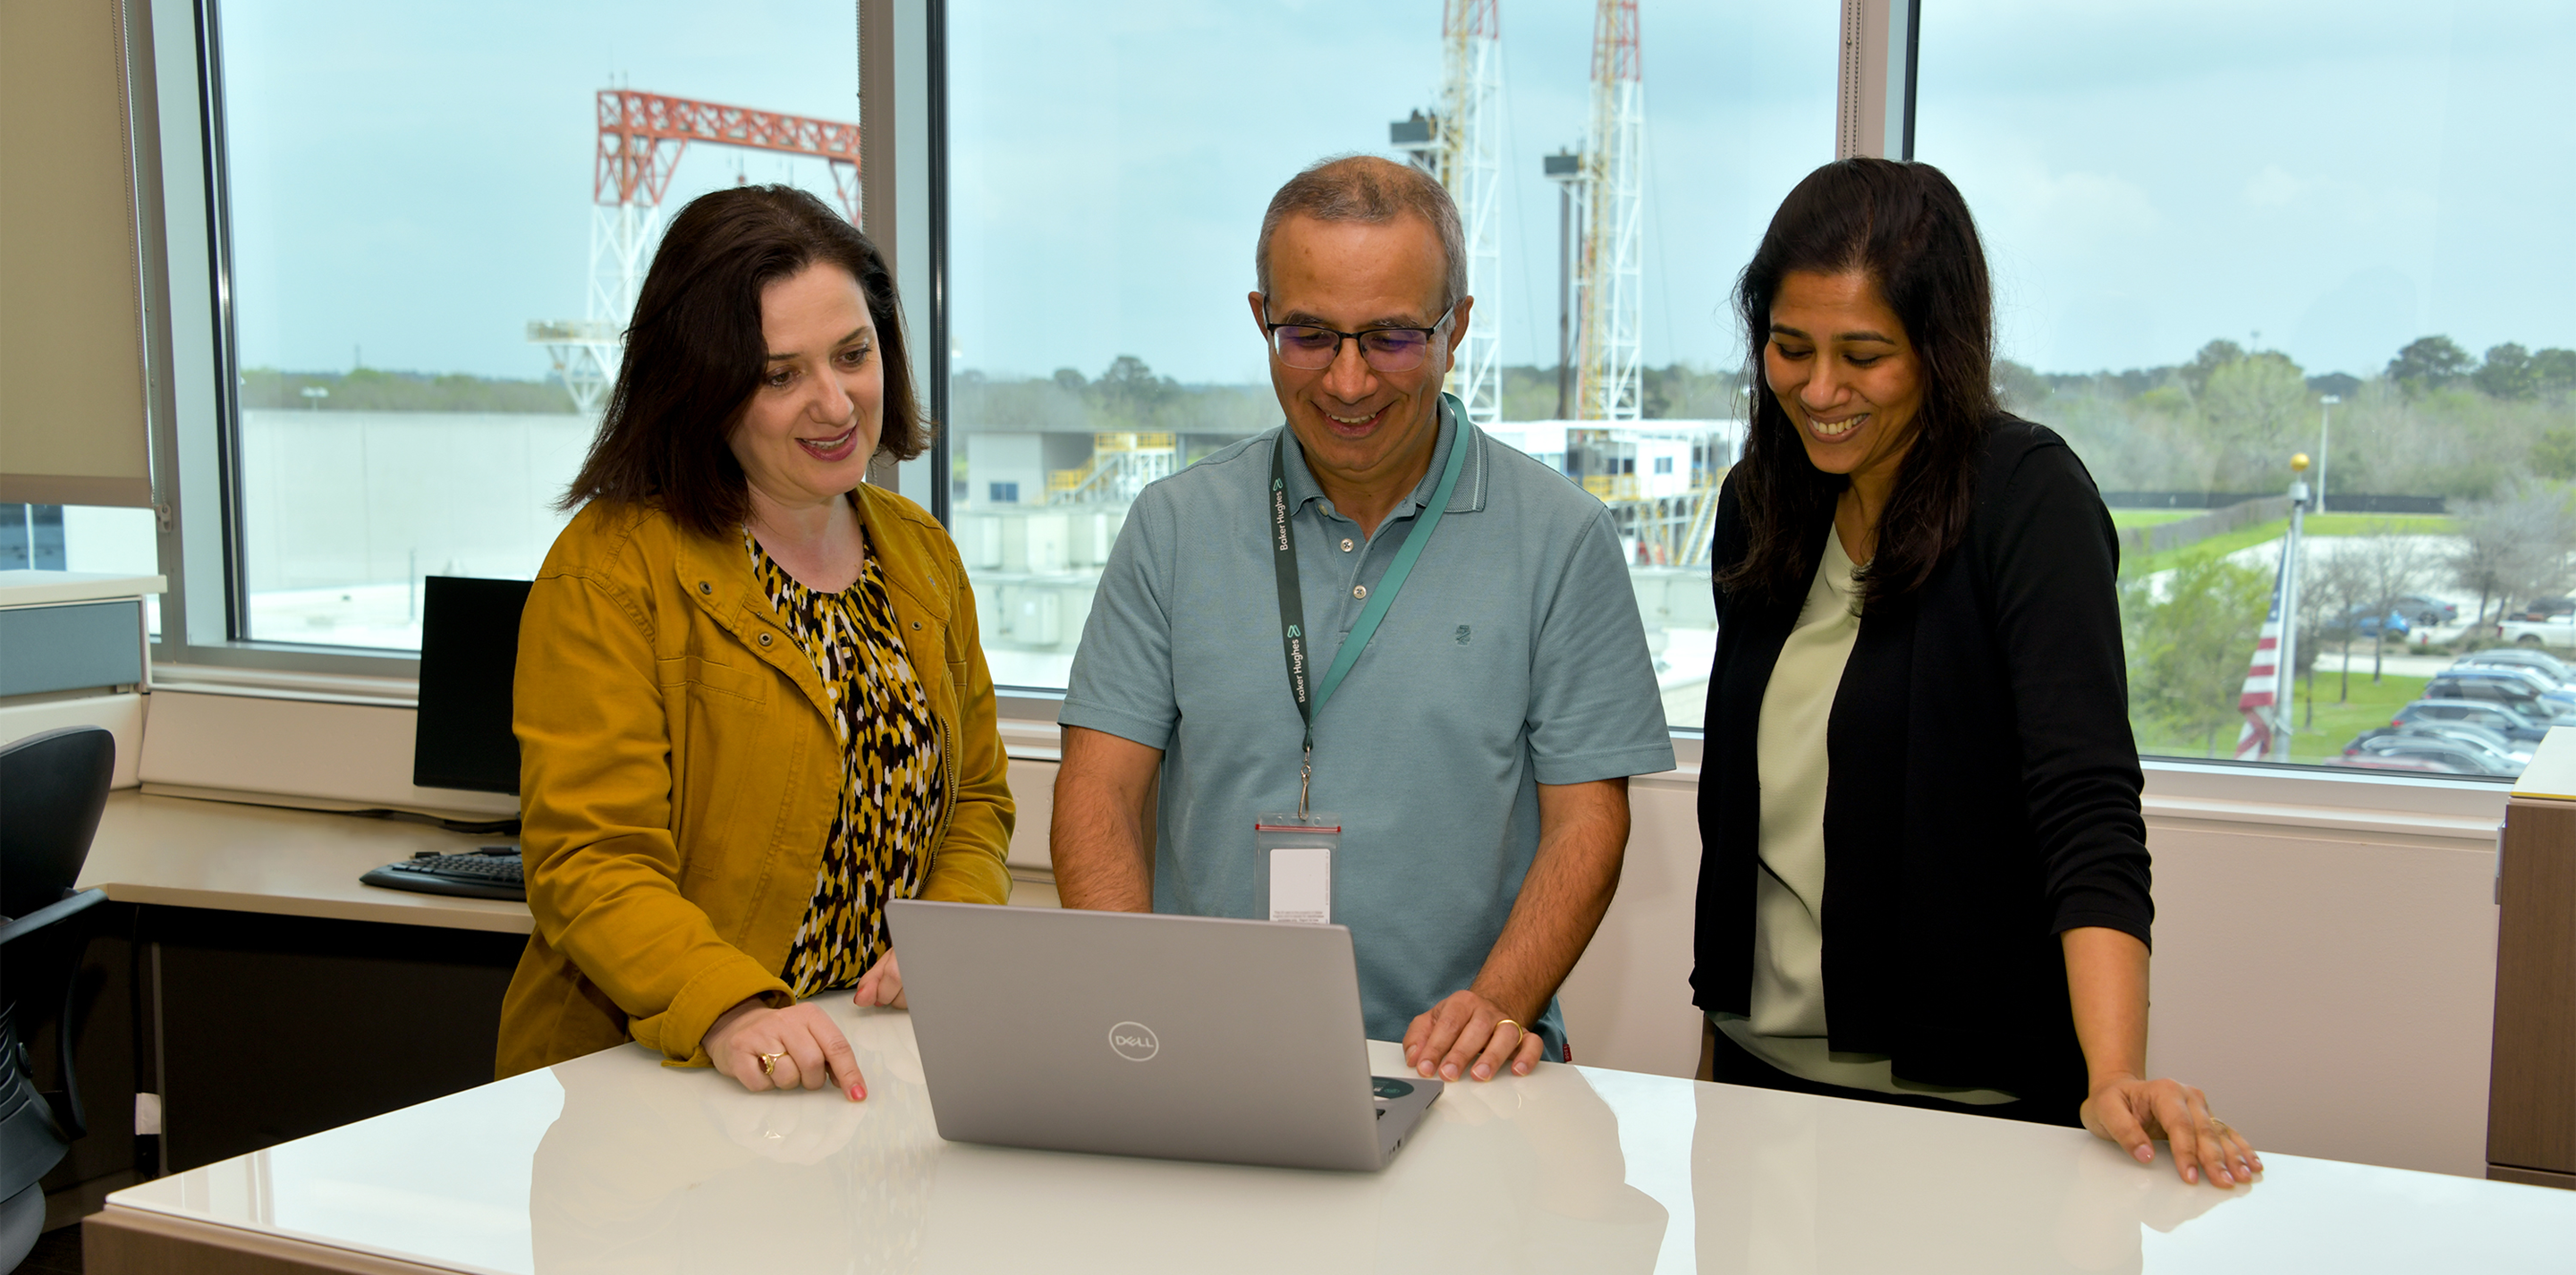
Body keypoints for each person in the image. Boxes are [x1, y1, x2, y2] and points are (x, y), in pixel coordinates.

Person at [1693, 156, 2258, 1186]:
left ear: (1940, 349)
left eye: (1864, 355)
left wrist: (2114, 1071)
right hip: (1758, 1083)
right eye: (1789, 347)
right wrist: (1714, 1059)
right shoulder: (1762, 498)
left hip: (1972, 1107)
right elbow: (1738, 807)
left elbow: (2085, 805)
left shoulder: (2026, 500)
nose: (1819, 390)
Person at [1051, 155, 1674, 1085]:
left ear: (1456, 329)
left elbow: (1588, 822)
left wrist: (1496, 1004)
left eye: (1390, 338)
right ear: (1262, 317)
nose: (1347, 383)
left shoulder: (1562, 537)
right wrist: (1142, 1001)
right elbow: (1097, 789)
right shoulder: (1173, 527)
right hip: (1211, 1059)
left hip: (1455, 1070)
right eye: (1309, 335)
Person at [496, 185, 1013, 1101]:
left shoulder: (920, 552)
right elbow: (592, 861)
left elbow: (974, 798)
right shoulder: (609, 572)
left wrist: (954, 928)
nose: (835, 402)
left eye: (853, 355)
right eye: (780, 375)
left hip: (866, 1065)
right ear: (702, 386)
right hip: (664, 1077)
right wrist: (732, 1007)